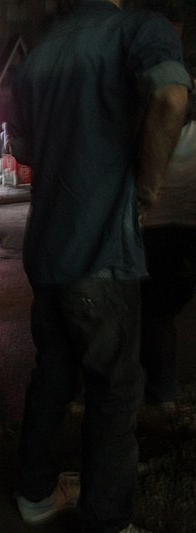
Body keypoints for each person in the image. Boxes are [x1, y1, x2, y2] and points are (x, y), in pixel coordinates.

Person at [8, 1, 191, 531]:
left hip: (46, 250)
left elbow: (21, 144)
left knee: (53, 375)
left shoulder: (37, 55)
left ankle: (34, 493)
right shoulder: (138, 29)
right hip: (102, 253)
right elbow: (171, 93)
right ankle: (108, 520)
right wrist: (148, 186)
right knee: (115, 389)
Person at [140, 96, 196, 412]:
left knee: (155, 315)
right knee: (164, 311)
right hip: (190, 233)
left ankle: (161, 395)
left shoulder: (153, 135)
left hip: (157, 234)